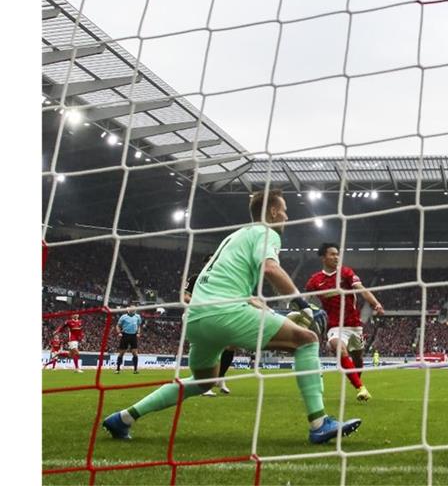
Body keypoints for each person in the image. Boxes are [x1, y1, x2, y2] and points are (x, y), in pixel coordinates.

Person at [102, 189, 361, 443]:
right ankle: (319, 424)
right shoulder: (266, 232)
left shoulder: (235, 237)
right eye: (284, 211)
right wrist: (304, 305)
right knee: (307, 339)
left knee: (205, 381)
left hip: (195, 319)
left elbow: (236, 289)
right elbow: (270, 268)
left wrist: (269, 312)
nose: (286, 217)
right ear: (272, 211)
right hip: (224, 313)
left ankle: (123, 418)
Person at [305, 242, 384, 402]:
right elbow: (304, 300)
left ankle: (356, 381)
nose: (336, 257)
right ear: (323, 257)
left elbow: (361, 289)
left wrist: (376, 303)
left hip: (354, 325)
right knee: (338, 347)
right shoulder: (315, 280)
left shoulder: (345, 272)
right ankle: (361, 388)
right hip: (334, 325)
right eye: (332, 254)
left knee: (358, 360)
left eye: (337, 254)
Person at [183, 258, 234, 396]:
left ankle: (220, 378)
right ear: (204, 264)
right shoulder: (196, 278)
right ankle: (204, 384)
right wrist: (201, 302)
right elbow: (185, 297)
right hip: (199, 315)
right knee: (209, 347)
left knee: (231, 345)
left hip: (217, 314)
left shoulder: (221, 280)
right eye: (210, 261)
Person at [115, 305, 142, 374]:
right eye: (132, 309)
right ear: (128, 310)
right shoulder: (123, 317)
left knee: (135, 353)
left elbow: (139, 326)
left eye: (134, 310)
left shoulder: (137, 317)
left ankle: (135, 370)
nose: (133, 311)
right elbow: (118, 325)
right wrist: (119, 332)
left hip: (133, 335)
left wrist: (138, 333)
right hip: (125, 335)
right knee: (122, 353)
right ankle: (117, 369)